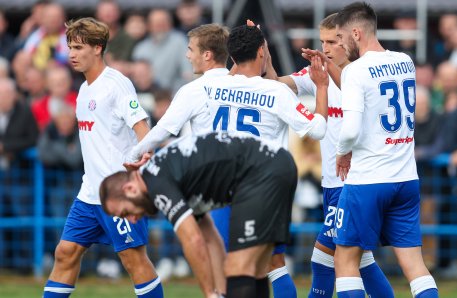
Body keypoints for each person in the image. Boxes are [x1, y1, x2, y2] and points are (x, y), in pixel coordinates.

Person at [269, 13, 393, 298]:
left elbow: (348, 90)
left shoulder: (362, 75)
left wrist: (324, 77)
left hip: (351, 182)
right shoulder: (316, 76)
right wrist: (263, 52)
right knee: (360, 260)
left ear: (349, 38)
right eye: (321, 41)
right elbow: (275, 83)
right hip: (331, 182)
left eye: (332, 41)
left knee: (326, 258)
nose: (325, 48)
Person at [204, 24, 329, 298]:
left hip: (223, 186)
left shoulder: (212, 87)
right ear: (262, 51)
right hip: (264, 188)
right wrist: (321, 87)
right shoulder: (276, 93)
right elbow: (317, 129)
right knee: (273, 265)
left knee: (230, 263)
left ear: (232, 56)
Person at [42, 18, 163, 298]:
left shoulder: (116, 84)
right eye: (70, 47)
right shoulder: (84, 90)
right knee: (66, 252)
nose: (71, 53)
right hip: (89, 192)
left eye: (78, 47)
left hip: (118, 193)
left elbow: (144, 131)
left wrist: (139, 176)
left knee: (133, 259)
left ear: (98, 48)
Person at [100, 132, 298, 298]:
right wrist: (219, 293)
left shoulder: (157, 184)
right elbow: (209, 238)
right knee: (256, 270)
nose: (133, 219)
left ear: (130, 189)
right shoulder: (167, 178)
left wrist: (209, 294)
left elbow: (193, 241)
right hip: (277, 163)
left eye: (126, 212)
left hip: (261, 173)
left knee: (239, 267)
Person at [332, 3, 438, 297]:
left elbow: (351, 128)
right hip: (405, 177)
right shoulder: (405, 61)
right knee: (415, 265)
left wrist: (342, 151)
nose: (341, 45)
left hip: (368, 178)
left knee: (345, 259)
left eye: (341, 38)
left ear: (356, 32)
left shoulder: (355, 71)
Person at [125, 23, 230, 294]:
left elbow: (163, 130)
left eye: (190, 49)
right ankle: (220, 293)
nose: (187, 55)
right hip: (254, 172)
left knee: (203, 237)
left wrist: (134, 152)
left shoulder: (194, 89)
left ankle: (212, 292)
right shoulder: (244, 82)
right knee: (265, 261)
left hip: (215, 177)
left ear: (207, 54)